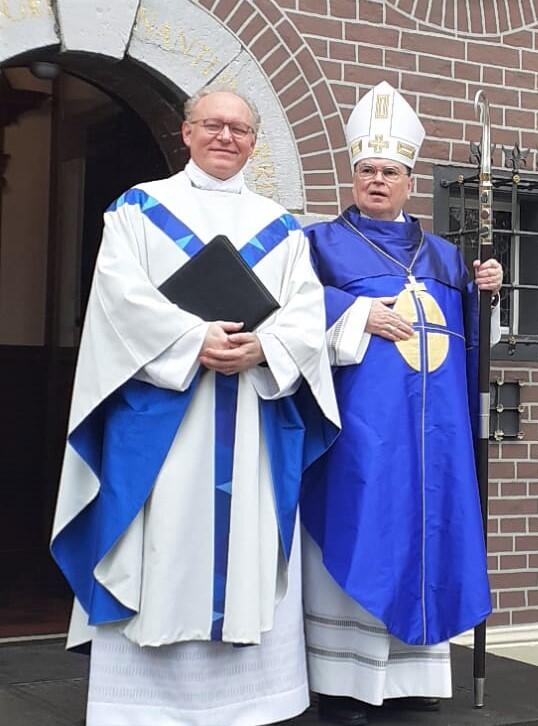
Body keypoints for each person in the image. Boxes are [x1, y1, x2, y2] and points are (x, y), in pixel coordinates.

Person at [49, 88, 340, 725]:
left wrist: (264, 347)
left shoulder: (281, 226)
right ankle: (145, 708)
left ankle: (250, 702)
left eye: (239, 129)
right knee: (160, 546)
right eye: (213, 124)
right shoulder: (139, 209)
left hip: (250, 416)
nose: (225, 137)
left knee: (246, 551)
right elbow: (118, 300)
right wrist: (191, 339)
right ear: (186, 132)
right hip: (164, 418)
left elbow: (305, 312)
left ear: (254, 143)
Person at [300, 81, 503, 726]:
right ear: (352, 175)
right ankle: (344, 684)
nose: (377, 180)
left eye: (389, 172)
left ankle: (413, 679)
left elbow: (479, 340)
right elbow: (292, 311)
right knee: (366, 528)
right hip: (361, 430)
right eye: (367, 170)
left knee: (429, 535)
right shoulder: (318, 243)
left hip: (435, 437)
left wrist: (487, 293)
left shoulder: (445, 254)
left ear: (410, 181)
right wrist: (357, 311)